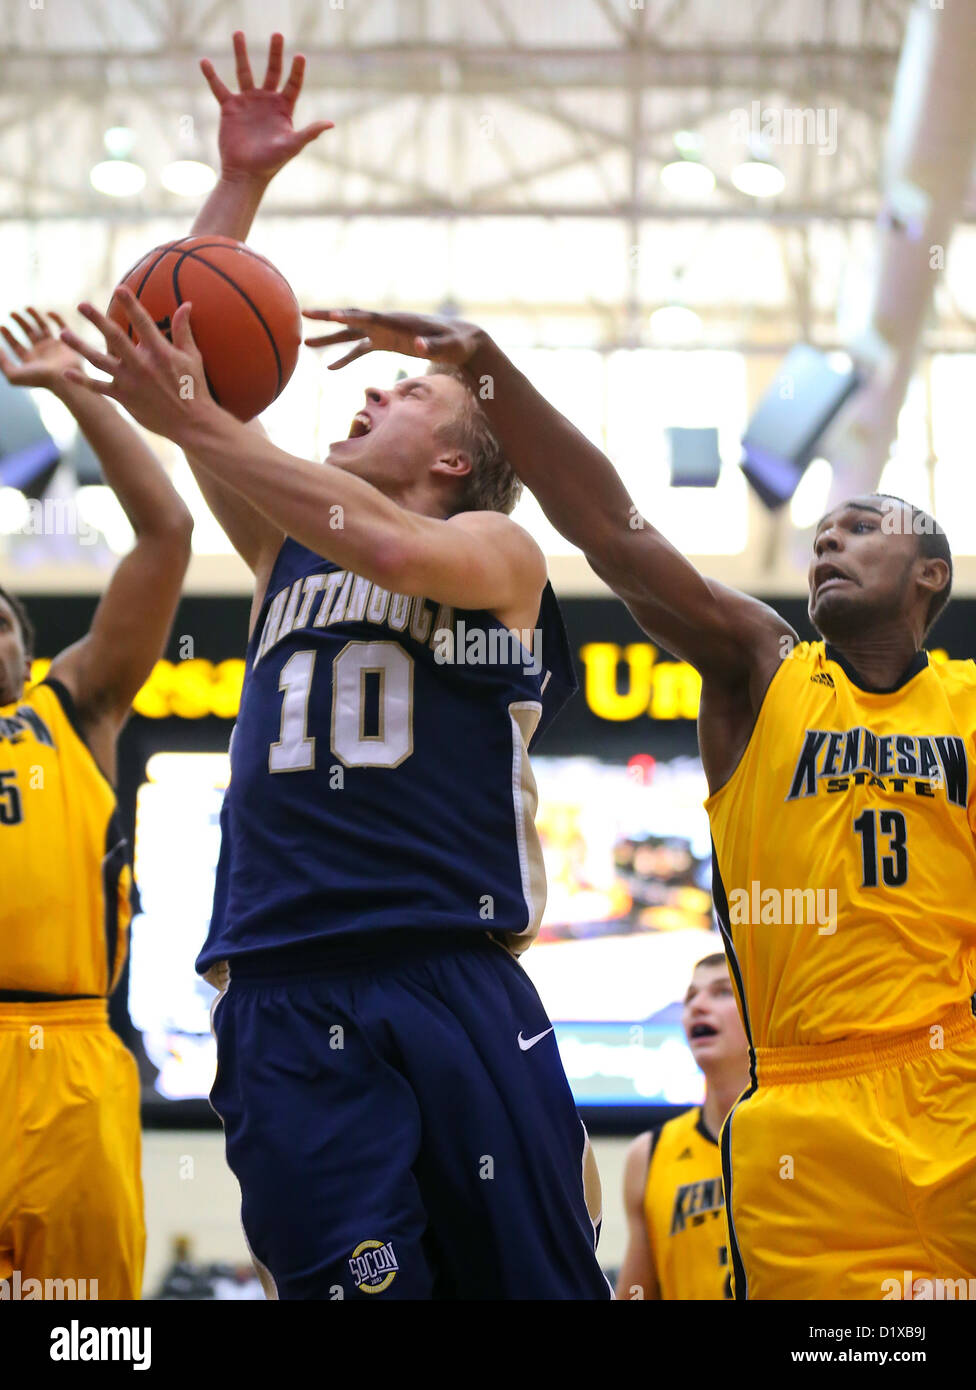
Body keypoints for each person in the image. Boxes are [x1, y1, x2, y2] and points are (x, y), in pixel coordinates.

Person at [59, 33, 610, 1300]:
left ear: (461, 456)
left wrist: (194, 411)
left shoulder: (491, 547)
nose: (360, 402)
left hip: (448, 966)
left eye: (404, 396)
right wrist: (236, 190)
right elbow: (180, 338)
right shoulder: (279, 551)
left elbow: (383, 537)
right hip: (280, 978)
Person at [305, 307, 976, 1301]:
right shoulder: (762, 667)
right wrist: (486, 368)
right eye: (822, 532)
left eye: (862, 527)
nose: (829, 540)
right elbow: (613, 530)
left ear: (930, 573)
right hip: (803, 1106)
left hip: (952, 1083)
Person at [0, 307, 193, 1299]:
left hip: (69, 1052)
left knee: (87, 1331)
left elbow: (167, 531)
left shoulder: (68, 709)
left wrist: (77, 392)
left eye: (0, 620)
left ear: (27, 651)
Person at [616, 953, 749, 1301]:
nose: (698, 1006)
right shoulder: (649, 1153)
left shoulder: (803, 1136)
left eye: (721, 992)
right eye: (691, 997)